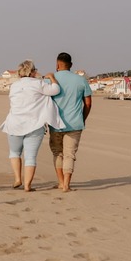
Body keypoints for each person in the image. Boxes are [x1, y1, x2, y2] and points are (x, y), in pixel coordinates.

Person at [0, 60, 64, 191]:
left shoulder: (14, 86)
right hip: (35, 125)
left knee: (14, 152)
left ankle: (18, 179)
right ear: (33, 72)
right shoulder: (38, 84)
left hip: (14, 124)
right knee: (30, 157)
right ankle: (27, 185)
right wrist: (51, 77)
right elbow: (55, 90)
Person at [49, 52, 93, 192]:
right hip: (75, 123)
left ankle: (61, 182)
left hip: (55, 123)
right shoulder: (81, 80)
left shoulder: (50, 79)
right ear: (71, 65)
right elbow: (88, 103)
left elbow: (43, 102)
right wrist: (82, 118)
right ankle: (67, 184)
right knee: (70, 155)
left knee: (58, 153)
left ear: (57, 64)